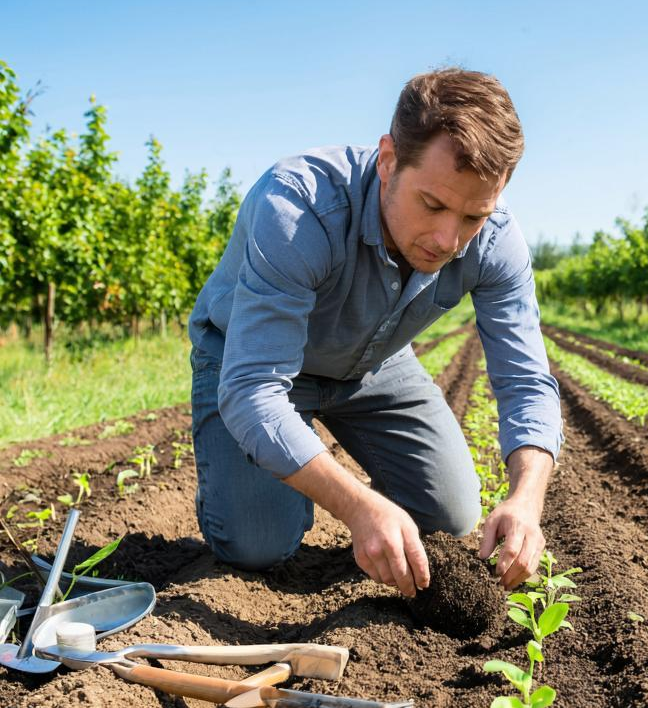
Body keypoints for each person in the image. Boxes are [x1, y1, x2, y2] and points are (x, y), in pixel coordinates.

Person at [187, 68, 562, 599]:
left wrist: (527, 500)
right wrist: (357, 506)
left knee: (451, 515)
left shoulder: (496, 241)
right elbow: (253, 391)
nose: (447, 239)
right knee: (258, 546)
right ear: (388, 160)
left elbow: (526, 381)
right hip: (255, 364)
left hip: (371, 363)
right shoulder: (299, 208)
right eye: (431, 204)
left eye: (473, 216)